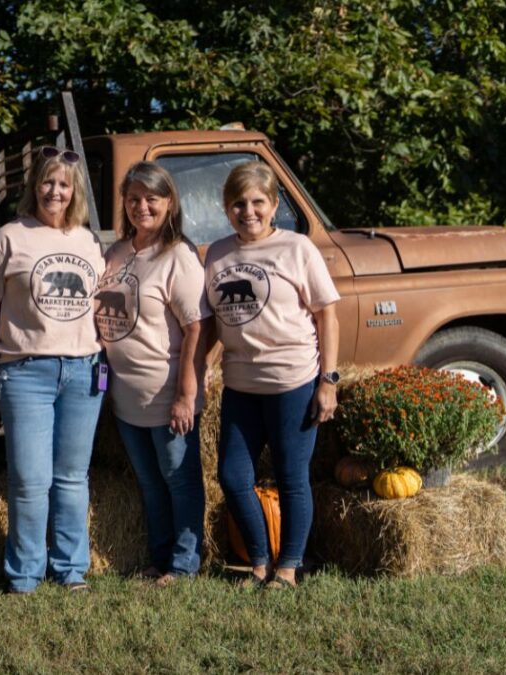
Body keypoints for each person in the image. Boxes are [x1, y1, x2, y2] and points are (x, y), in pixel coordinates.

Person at [0, 145, 106, 594]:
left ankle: (71, 569)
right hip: (26, 372)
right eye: (47, 182)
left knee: (71, 478)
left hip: (84, 370)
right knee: (30, 480)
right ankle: (25, 574)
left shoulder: (88, 241)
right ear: (34, 186)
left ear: (75, 191)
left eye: (64, 184)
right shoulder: (10, 236)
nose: (55, 191)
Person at [204, 160, 340, 589]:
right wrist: (202, 366)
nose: (248, 211)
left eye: (257, 202)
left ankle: (288, 567)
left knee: (291, 477)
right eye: (238, 204)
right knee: (232, 477)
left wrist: (328, 381)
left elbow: (327, 316)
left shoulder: (297, 249)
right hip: (240, 386)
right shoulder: (218, 254)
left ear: (274, 204)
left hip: (292, 382)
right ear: (227, 208)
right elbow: (216, 321)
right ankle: (259, 560)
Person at [94, 161, 211, 586]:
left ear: (169, 202)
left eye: (151, 198)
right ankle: (160, 557)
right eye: (133, 198)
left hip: (166, 395)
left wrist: (186, 395)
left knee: (180, 481)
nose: (141, 206)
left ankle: (184, 563)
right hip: (126, 397)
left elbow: (198, 327)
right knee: (150, 483)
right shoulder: (117, 253)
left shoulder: (178, 256)